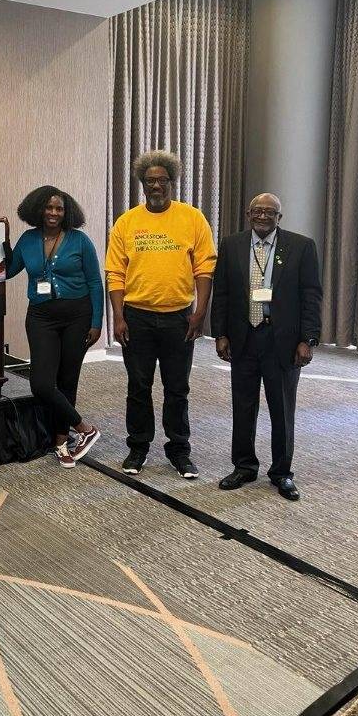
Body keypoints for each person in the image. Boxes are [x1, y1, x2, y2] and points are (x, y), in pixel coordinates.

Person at [105, 150, 216, 479]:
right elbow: (115, 272)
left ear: (172, 182)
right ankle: (138, 447)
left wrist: (200, 313)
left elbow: (205, 267)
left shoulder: (192, 218)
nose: (156, 185)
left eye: (162, 180)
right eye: (150, 181)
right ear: (142, 184)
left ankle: (179, 450)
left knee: (177, 387)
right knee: (138, 386)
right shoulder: (127, 222)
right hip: (136, 318)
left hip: (178, 318)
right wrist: (119, 316)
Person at [211, 193, 322, 501]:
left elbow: (311, 296)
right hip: (243, 338)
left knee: (282, 410)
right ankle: (244, 466)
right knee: (243, 407)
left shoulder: (301, 247)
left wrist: (307, 339)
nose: (262, 216)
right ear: (248, 214)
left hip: (282, 342)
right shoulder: (231, 245)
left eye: (269, 212)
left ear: (279, 217)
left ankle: (282, 472)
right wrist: (220, 334)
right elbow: (221, 293)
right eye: (257, 211)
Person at [4, 186, 103, 469]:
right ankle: (85, 428)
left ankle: (61, 442)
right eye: (48, 208)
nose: (53, 213)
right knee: (42, 383)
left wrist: (96, 322)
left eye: (59, 208)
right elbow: (9, 271)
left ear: (66, 212)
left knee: (67, 379)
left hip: (78, 315)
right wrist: (5, 240)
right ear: (38, 210)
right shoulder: (28, 239)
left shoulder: (80, 241)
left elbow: (95, 283)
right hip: (41, 317)